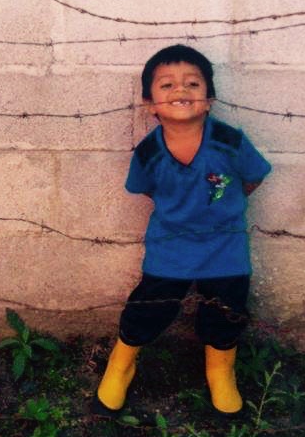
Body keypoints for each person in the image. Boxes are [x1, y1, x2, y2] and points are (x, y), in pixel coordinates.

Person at [95, 44, 271, 415]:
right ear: (150, 103)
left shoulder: (229, 142)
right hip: (170, 246)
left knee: (226, 310)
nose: (180, 91)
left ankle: (220, 372)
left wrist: (222, 207)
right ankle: (121, 364)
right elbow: (144, 188)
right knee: (150, 306)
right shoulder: (148, 153)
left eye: (192, 83)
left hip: (225, 247)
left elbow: (252, 178)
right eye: (167, 85)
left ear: (209, 100)